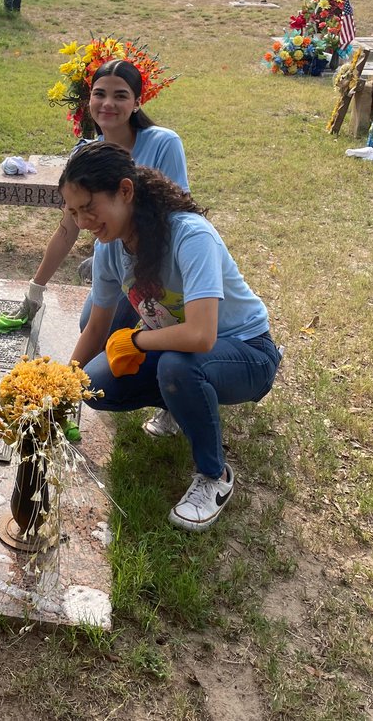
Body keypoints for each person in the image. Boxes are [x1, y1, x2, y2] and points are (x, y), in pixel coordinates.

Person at [65, 142, 281, 531]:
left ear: (125, 191)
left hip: (247, 353)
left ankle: (214, 476)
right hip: (179, 350)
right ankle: (181, 406)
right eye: (74, 212)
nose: (83, 221)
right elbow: (97, 327)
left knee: (178, 366)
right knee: (93, 385)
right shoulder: (110, 248)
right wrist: (60, 387)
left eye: (89, 207)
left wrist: (135, 341)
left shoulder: (190, 235)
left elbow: (200, 335)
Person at [5, 59, 189, 344]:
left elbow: (176, 215)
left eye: (120, 95)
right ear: (88, 99)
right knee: (89, 328)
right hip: (115, 264)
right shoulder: (85, 155)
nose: (108, 104)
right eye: (100, 94)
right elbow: (67, 229)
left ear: (137, 103)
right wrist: (35, 289)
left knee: (120, 331)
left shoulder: (164, 143)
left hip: (159, 261)